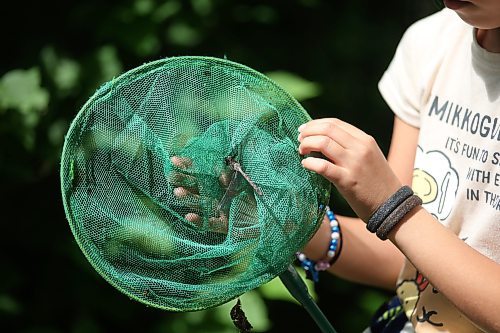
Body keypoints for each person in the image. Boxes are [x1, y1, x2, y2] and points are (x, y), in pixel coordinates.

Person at [297, 0, 500, 332]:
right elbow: (406, 253)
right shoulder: (430, 42)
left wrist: (392, 206)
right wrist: (293, 225)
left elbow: (401, 221)